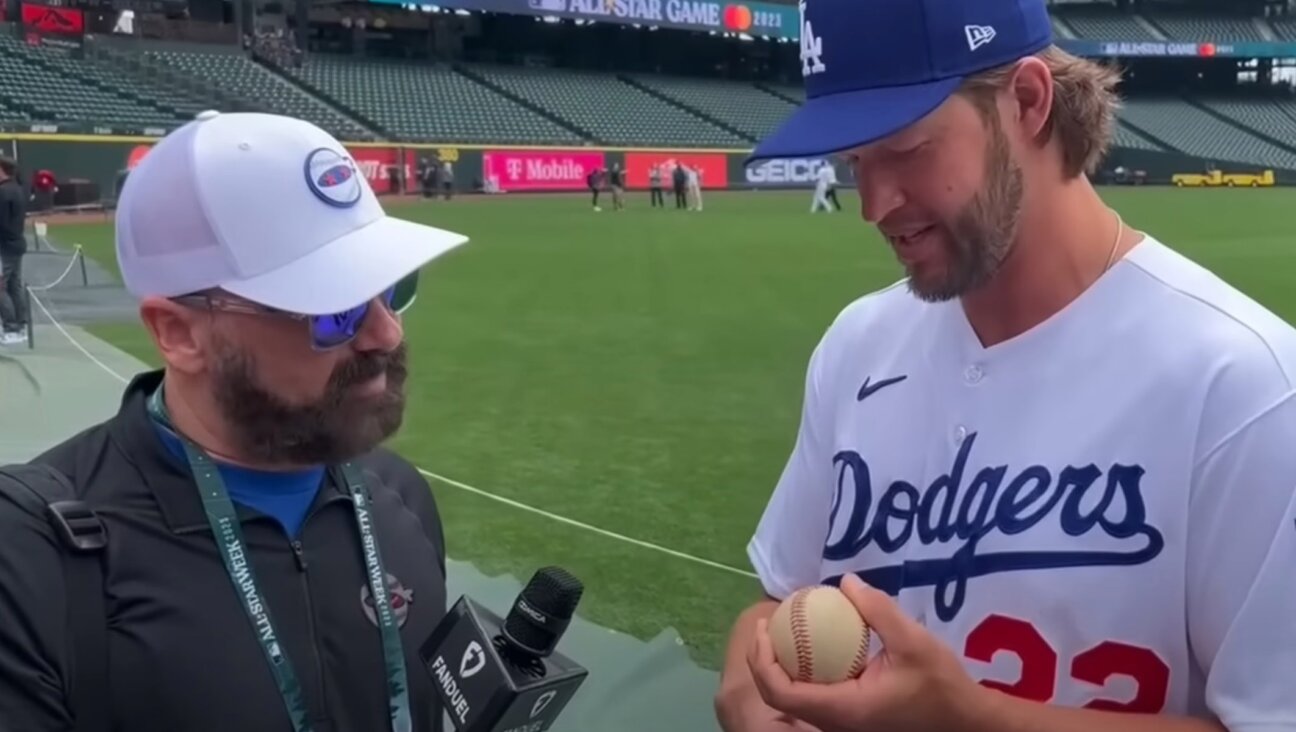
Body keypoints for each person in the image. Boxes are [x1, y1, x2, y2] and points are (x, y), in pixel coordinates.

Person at [715, 0, 1296, 731]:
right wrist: (747, 678)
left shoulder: (1248, 390)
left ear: (1027, 100)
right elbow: (779, 600)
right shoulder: (859, 344)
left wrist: (968, 721)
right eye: (856, 161)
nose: (874, 205)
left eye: (906, 148)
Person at [0, 111, 470, 731]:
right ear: (179, 333)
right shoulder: (33, 554)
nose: (387, 332)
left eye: (394, 287)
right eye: (336, 309)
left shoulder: (397, 494)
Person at [0, 156, 28, 345]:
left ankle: (11, 327)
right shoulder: (18, 189)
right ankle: (21, 324)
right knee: (13, 285)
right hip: (17, 243)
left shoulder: (3, 192)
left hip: (5, 246)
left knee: (1, 286)